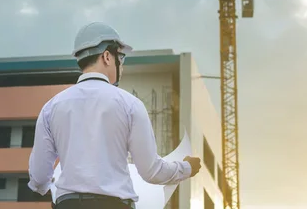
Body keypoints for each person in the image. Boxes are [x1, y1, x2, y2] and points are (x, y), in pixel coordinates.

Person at [27, 22, 201, 208]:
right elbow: (151, 171)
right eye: (121, 57)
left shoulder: (51, 108)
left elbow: (38, 177)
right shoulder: (130, 105)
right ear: (107, 57)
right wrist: (186, 168)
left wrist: (52, 189)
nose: (122, 65)